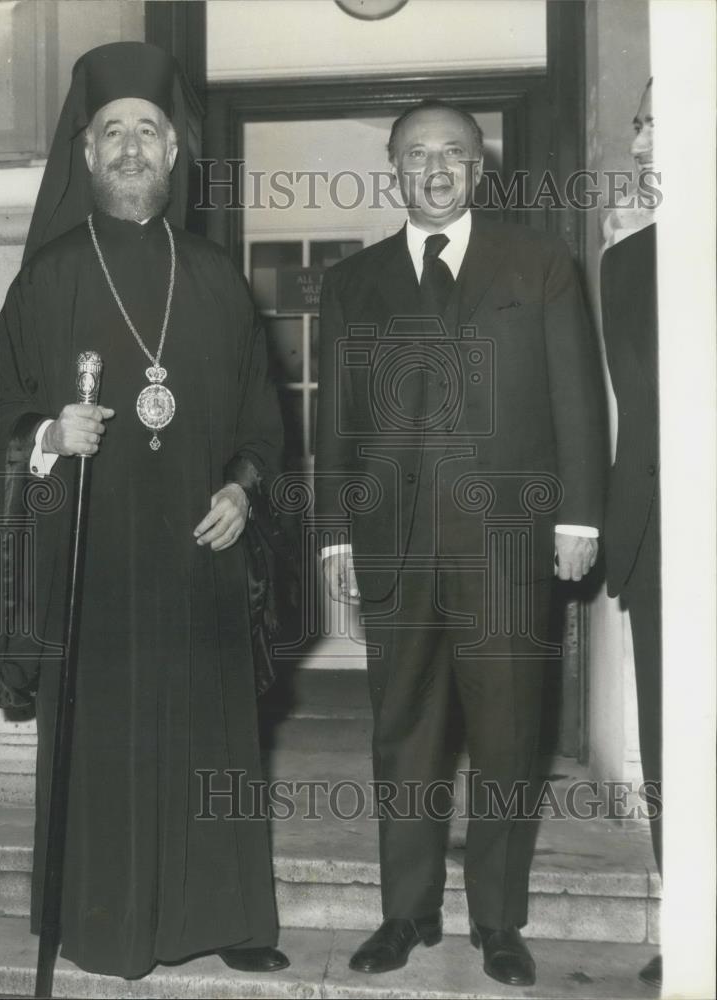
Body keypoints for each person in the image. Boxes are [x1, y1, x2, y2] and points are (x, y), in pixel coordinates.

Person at [0, 42, 288, 980]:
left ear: (175, 151)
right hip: (91, 562)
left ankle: (227, 917)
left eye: (149, 130)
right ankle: (105, 925)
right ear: (88, 154)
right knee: (103, 741)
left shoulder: (217, 278)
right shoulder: (50, 278)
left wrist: (243, 487)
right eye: (114, 132)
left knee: (209, 736)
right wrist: (47, 433)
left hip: (199, 561)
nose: (133, 147)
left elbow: (264, 423)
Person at [314, 100, 605, 987]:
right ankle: (405, 913)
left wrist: (579, 518)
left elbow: (576, 396)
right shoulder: (353, 282)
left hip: (508, 545)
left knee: (509, 734)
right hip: (395, 547)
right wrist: (335, 537)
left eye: (452, 153)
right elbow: (337, 420)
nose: (434, 169)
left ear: (480, 168)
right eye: (416, 154)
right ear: (394, 168)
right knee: (403, 731)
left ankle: (498, 921)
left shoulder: (538, 262)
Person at [600, 80, 661, 990]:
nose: (641, 146)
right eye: (639, 126)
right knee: (674, 740)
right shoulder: (626, 262)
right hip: (659, 545)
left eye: (658, 125)